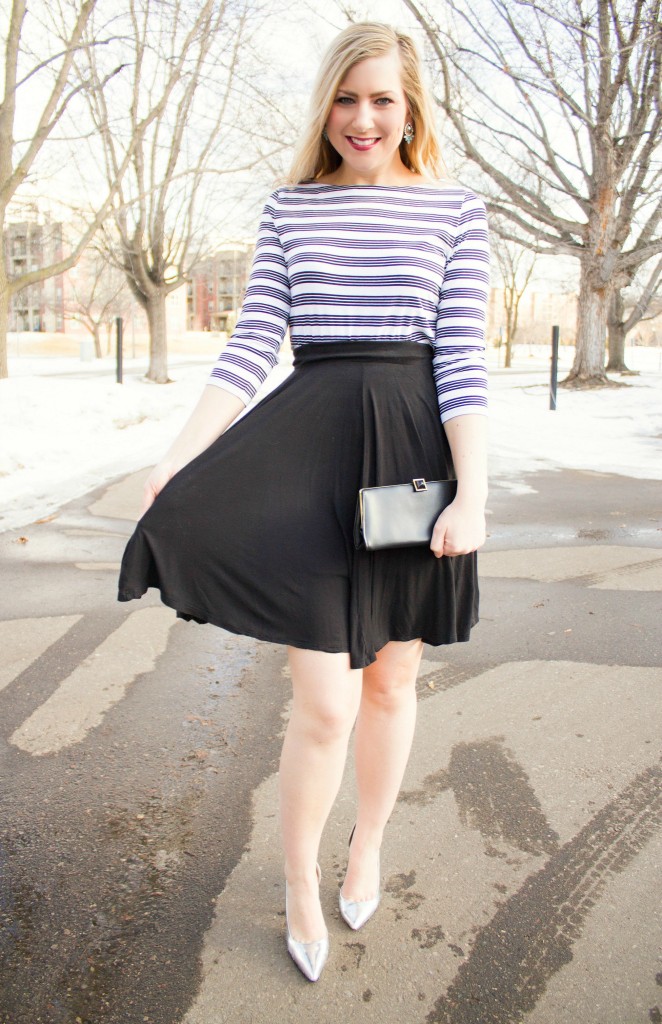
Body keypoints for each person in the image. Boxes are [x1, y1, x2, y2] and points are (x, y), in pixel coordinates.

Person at [117, 21, 489, 982]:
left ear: (410, 111)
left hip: (412, 460)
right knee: (324, 701)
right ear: (326, 104)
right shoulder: (290, 210)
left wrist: (472, 493)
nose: (363, 119)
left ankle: (366, 843)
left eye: (383, 100)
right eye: (347, 98)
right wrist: (178, 457)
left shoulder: (455, 212)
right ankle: (295, 880)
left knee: (391, 682)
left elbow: (462, 363)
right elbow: (250, 346)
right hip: (309, 459)